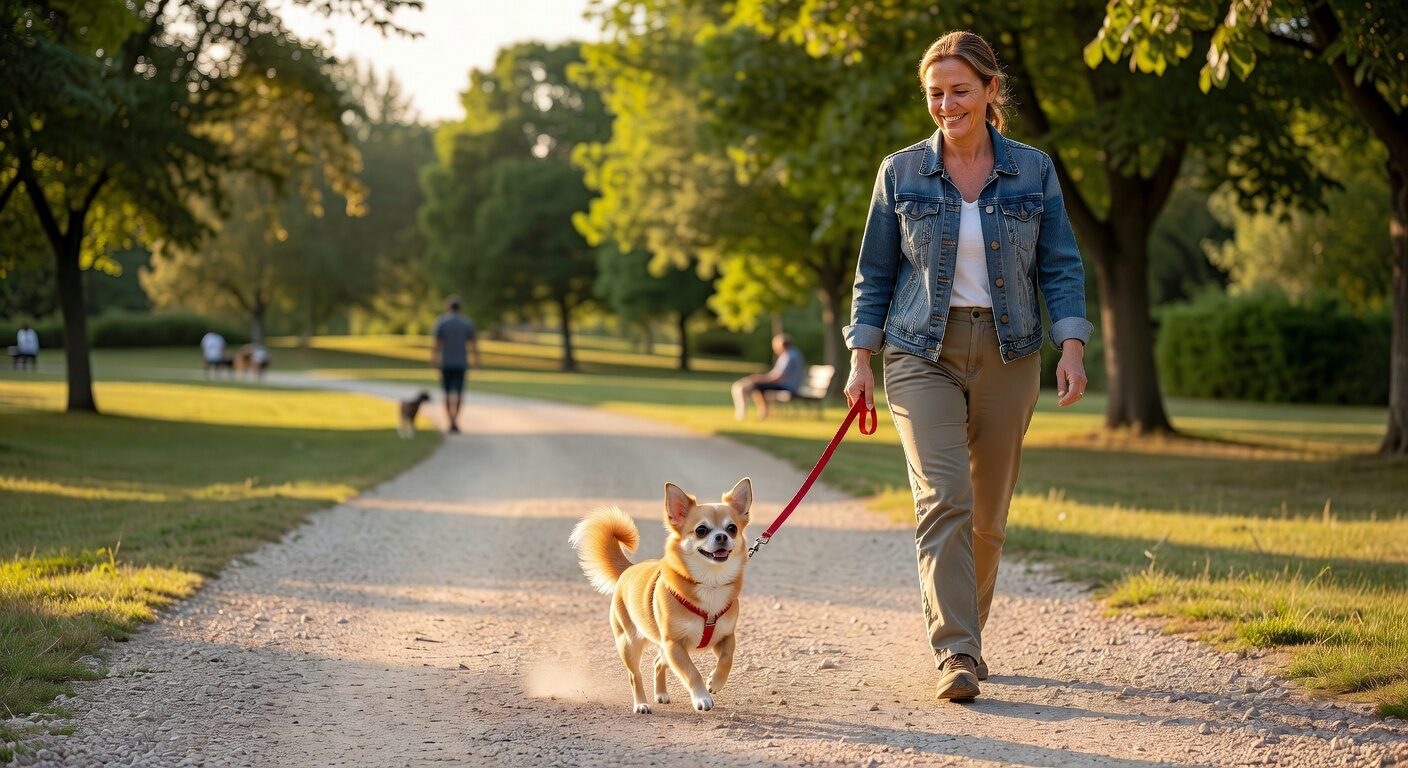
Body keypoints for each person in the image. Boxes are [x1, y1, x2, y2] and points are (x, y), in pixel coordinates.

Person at [842, 31, 1091, 703]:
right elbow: (874, 274)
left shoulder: (1034, 170)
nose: (946, 105)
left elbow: (1061, 265)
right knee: (944, 497)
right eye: (935, 94)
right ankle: (955, 649)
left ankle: (966, 634)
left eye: (959, 91)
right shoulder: (901, 173)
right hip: (920, 351)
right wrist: (860, 361)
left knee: (987, 515)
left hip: (1011, 351)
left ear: (989, 91)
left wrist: (1071, 345)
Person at [430, 295, 480, 433]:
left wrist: (434, 359)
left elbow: (436, 343)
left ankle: (450, 420)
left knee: (447, 393)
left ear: (448, 308)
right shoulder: (467, 323)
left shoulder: (442, 322)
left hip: (445, 363)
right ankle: (455, 419)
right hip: (460, 363)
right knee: (458, 393)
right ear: (460, 308)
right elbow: (473, 344)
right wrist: (476, 360)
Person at [731, 333, 805, 421]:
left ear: (781, 345)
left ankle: (744, 413)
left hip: (787, 387)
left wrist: (758, 379)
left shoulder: (789, 356)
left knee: (751, 386)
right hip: (787, 385)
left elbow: (778, 377)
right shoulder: (793, 353)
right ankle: (762, 413)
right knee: (755, 386)